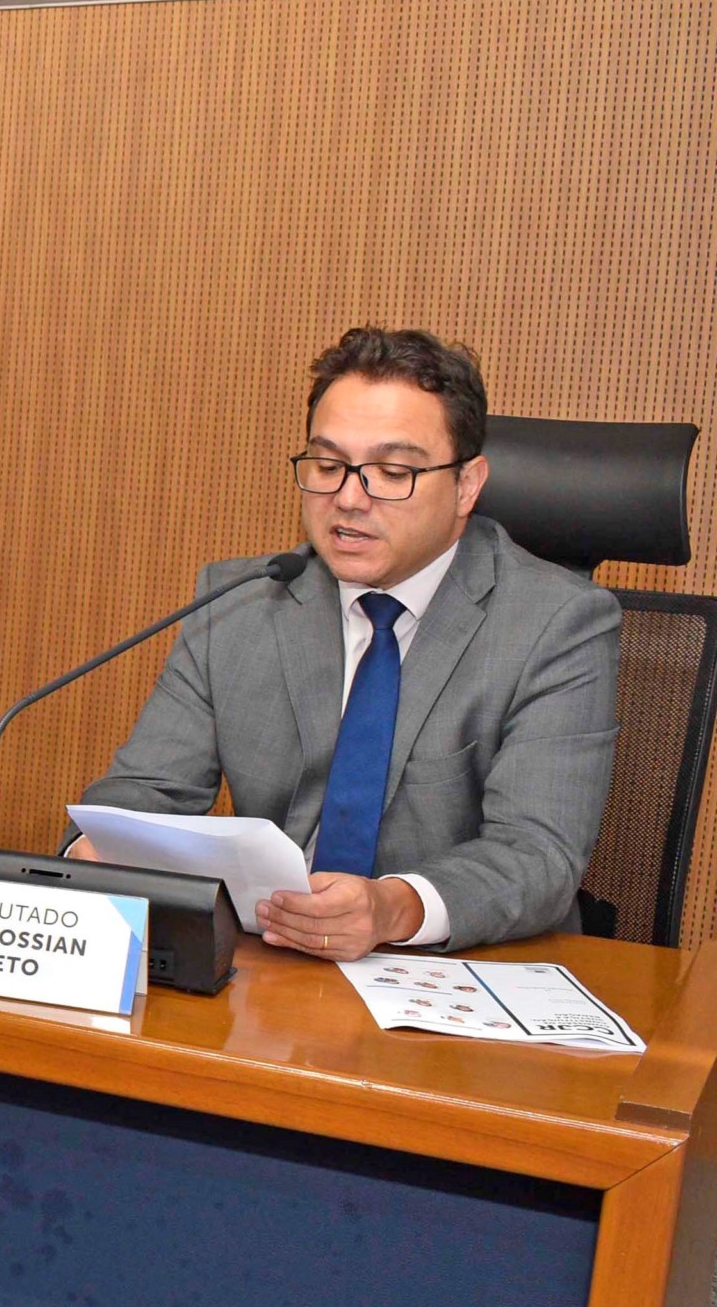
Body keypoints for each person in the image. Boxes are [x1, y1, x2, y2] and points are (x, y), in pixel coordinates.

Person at [61, 325, 620, 984]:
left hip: (456, 982)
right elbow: (145, 787)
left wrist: (391, 906)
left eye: (393, 472)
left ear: (467, 484)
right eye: (328, 465)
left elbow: (537, 856)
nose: (349, 498)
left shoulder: (558, 623)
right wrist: (100, 846)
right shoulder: (243, 600)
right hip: (267, 970)